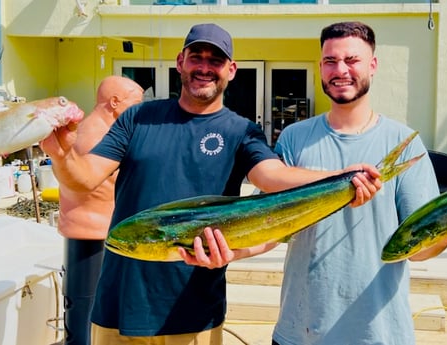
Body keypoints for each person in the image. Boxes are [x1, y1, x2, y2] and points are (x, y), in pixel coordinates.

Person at [40, 23, 380, 345]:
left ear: (231, 70)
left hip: (193, 314)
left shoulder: (241, 131)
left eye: (215, 60)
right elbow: (83, 179)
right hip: (116, 308)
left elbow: (273, 176)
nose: (205, 67)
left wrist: (341, 180)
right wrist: (61, 154)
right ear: (180, 62)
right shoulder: (138, 118)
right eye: (196, 57)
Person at [267, 21, 447, 345]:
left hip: (377, 335)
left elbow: (417, 249)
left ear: (373, 65)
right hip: (299, 333)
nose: (340, 70)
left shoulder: (404, 143)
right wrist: (226, 249)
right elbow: (270, 226)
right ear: (321, 67)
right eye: (330, 61)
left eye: (352, 60)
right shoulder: (294, 139)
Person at [58, 75, 143, 345]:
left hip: (98, 230)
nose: (139, 109)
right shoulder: (99, 136)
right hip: (94, 233)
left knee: (94, 307)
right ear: (115, 102)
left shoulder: (97, 130)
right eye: (136, 103)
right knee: (90, 309)